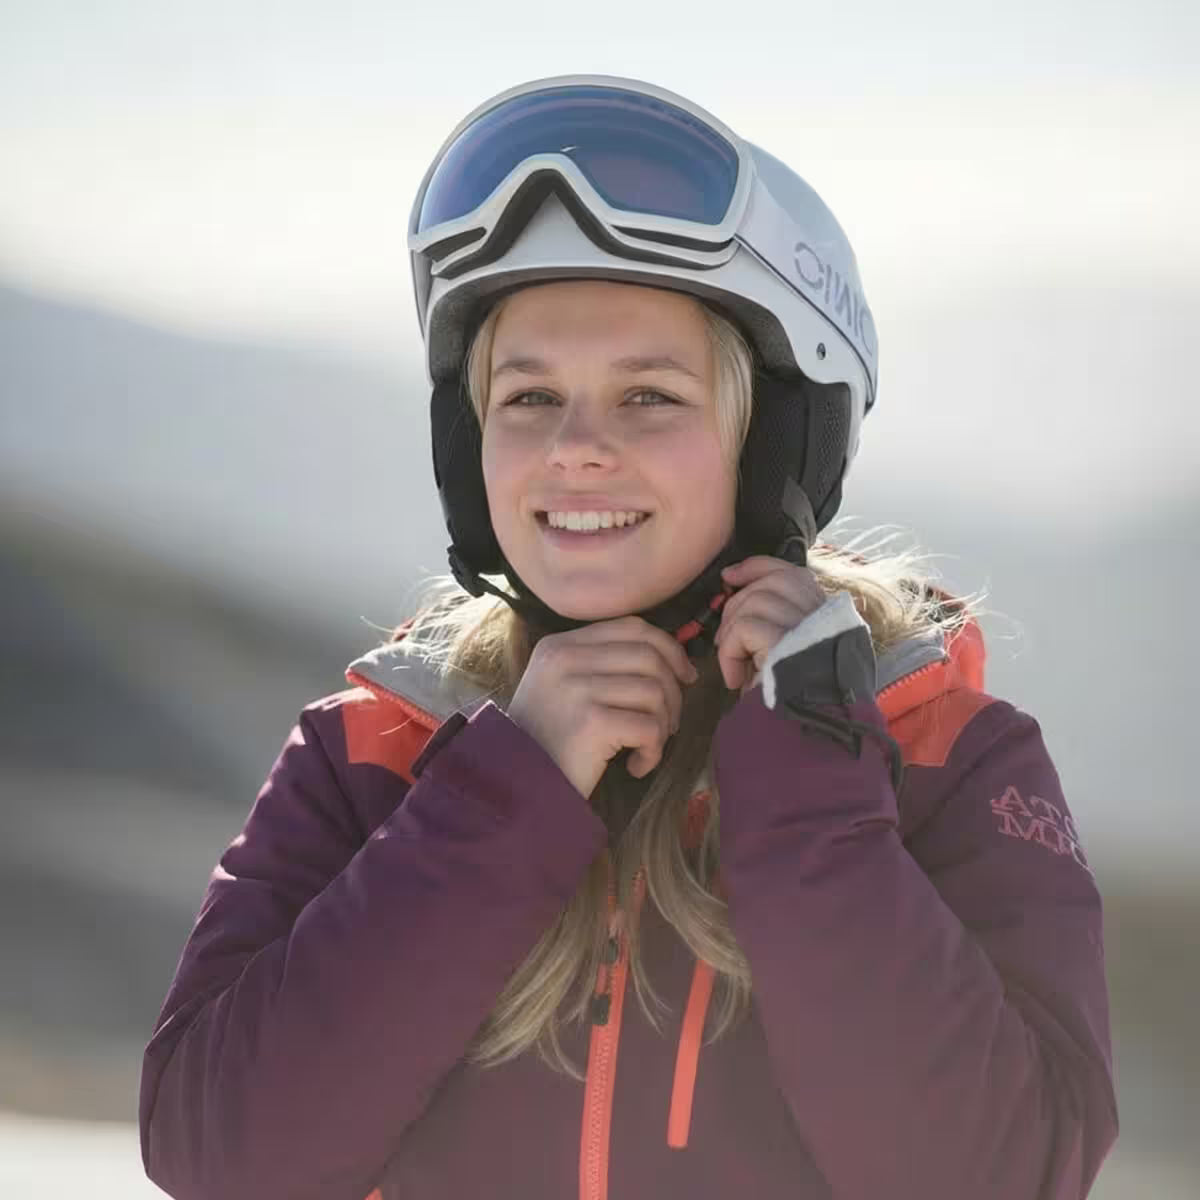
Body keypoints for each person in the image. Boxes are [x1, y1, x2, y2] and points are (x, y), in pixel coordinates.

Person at [139, 76, 1118, 1200]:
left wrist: (810, 781)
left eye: (649, 397)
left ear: (774, 446)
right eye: (528, 398)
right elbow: (224, 1156)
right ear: (470, 446)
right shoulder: (376, 754)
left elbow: (996, 1176)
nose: (576, 448)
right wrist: (503, 795)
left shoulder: (939, 750)